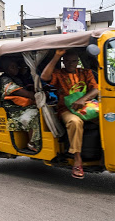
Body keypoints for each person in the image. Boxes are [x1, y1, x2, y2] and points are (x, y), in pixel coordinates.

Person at [41, 49, 99, 179]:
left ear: (78, 61)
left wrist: (83, 99)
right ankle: (77, 159)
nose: (71, 64)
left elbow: (96, 89)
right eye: (67, 61)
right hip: (65, 109)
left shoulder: (85, 72)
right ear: (63, 62)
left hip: (87, 106)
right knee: (75, 122)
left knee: (108, 118)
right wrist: (57, 56)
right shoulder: (58, 74)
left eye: (74, 61)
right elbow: (44, 77)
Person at [0, 58, 41, 152]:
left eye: (16, 66)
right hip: (14, 110)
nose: (16, 69)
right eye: (12, 67)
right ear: (6, 69)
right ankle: (32, 142)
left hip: (23, 106)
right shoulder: (4, 79)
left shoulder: (18, 78)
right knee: (35, 115)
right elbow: (15, 90)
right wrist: (32, 95)